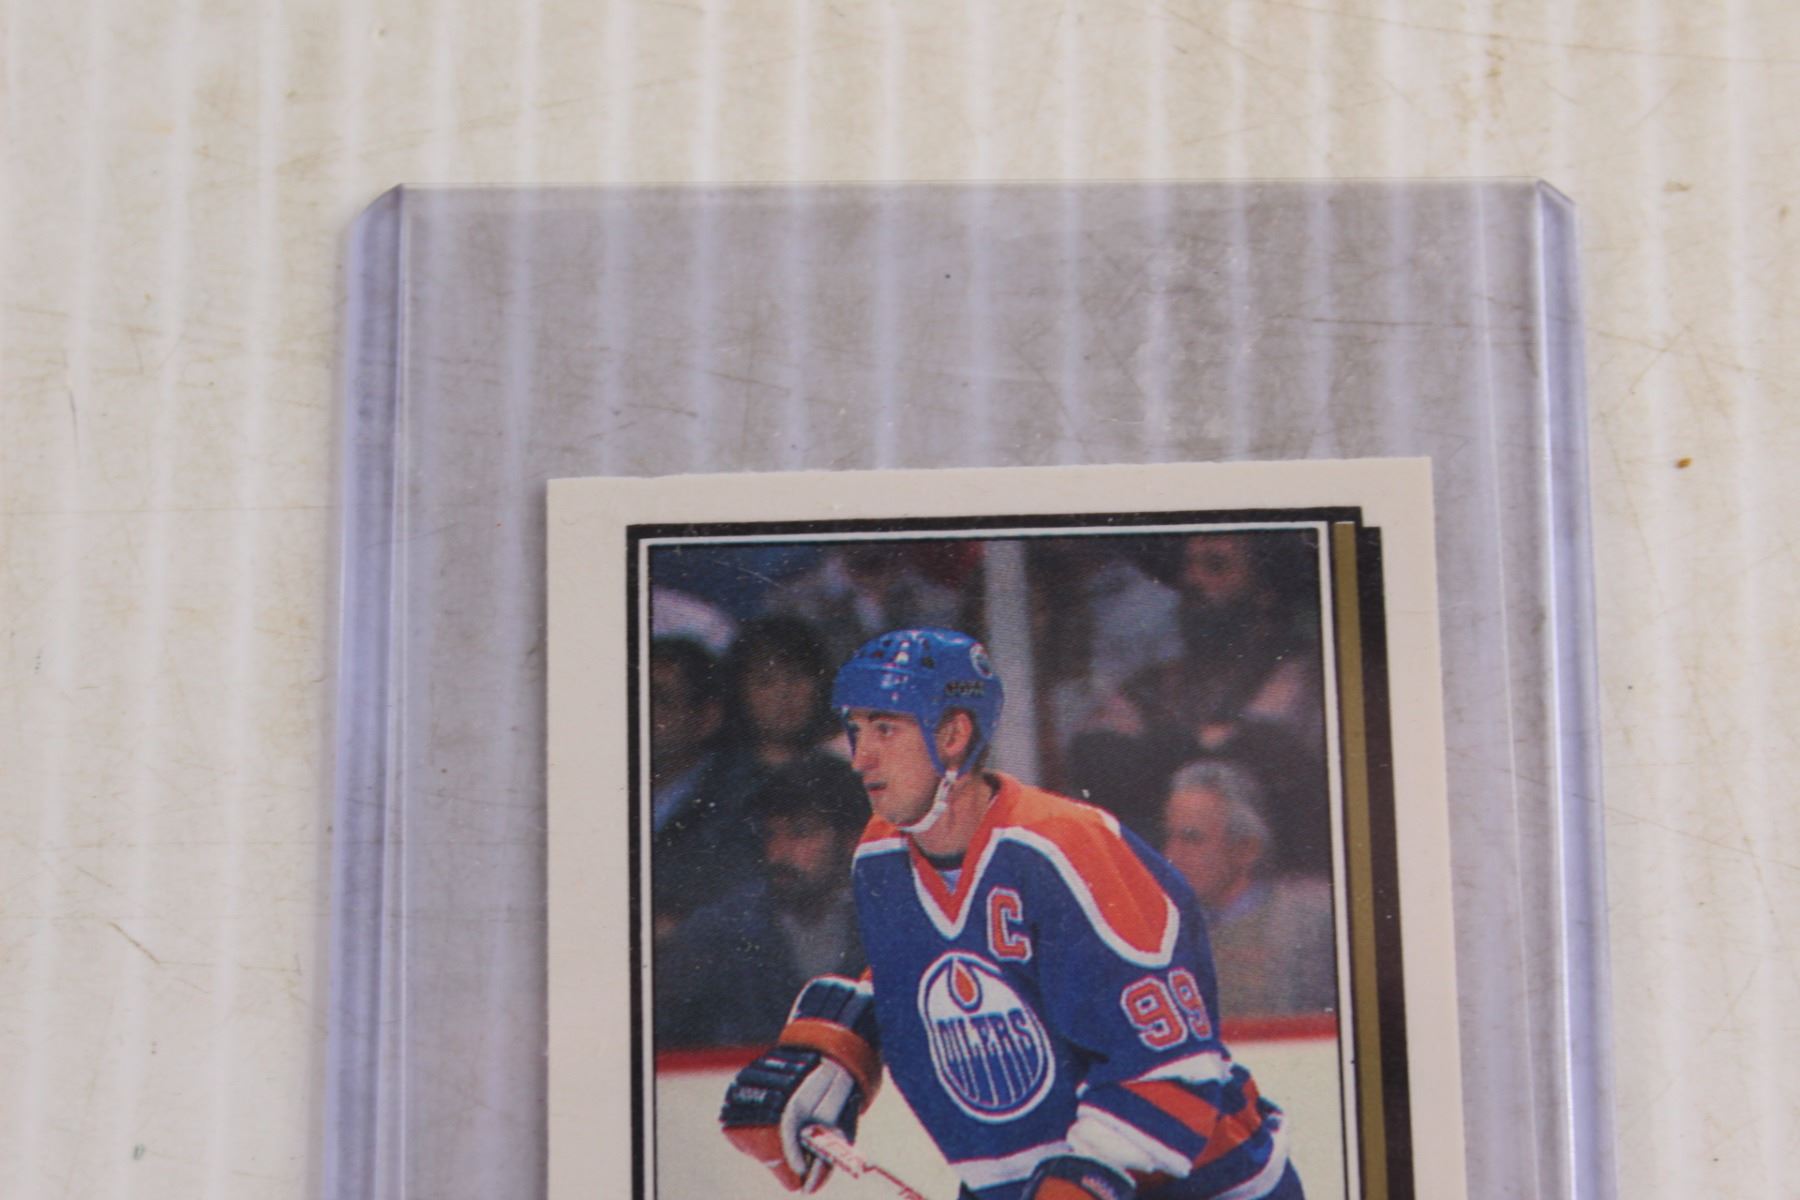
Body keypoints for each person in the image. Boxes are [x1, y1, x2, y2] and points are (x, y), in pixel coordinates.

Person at [720, 629, 1304, 1200]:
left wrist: (1082, 1182)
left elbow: (1173, 1061)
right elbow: (937, 971)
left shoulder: (1063, 846)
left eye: (885, 729)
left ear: (953, 734)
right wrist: (838, 1044)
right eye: (855, 730)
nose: (860, 758)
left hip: (1200, 1184)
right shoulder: (880, 854)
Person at [656, 755, 870, 1049]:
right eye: (770, 834)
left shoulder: (886, 920)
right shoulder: (719, 931)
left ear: (851, 839)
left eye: (800, 833)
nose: (777, 853)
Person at [1160, 761, 1336, 1019]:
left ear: (1247, 849)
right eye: (1169, 836)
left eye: (1191, 839)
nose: (1170, 855)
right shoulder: (1164, 929)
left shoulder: (1313, 922)